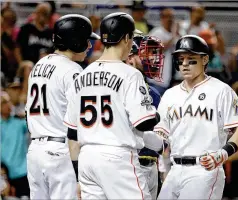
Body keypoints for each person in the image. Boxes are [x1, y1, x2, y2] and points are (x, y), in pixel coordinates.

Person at [63, 12, 160, 199]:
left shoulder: (81, 75)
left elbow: (72, 134)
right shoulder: (130, 74)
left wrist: (77, 176)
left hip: (87, 158)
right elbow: (144, 123)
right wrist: (156, 115)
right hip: (118, 157)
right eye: (131, 38)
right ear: (125, 38)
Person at [154, 35, 238, 199]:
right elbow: (161, 135)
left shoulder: (221, 90)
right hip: (175, 169)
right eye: (181, 59)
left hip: (204, 169)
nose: (184, 64)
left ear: (205, 59)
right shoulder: (170, 94)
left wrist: (223, 153)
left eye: (191, 59)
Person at [25, 14, 99, 199]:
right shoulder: (73, 70)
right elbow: (80, 122)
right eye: (86, 40)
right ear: (74, 41)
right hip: (61, 151)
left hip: (35, 150)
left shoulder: (39, 65)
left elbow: (28, 113)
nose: (89, 46)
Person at [126, 34, 164, 199]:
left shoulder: (153, 92)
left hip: (151, 165)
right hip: (126, 165)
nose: (152, 59)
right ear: (130, 57)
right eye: (146, 54)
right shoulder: (119, 88)